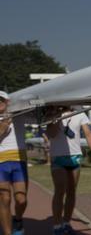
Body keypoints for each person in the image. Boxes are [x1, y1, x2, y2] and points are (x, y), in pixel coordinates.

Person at [46, 106, 91, 235]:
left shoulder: (80, 114)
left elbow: (88, 134)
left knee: (71, 191)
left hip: (75, 157)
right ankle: (56, 226)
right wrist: (56, 116)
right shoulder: (52, 114)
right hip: (58, 158)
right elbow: (51, 134)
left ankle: (66, 222)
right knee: (60, 191)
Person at [0, 91, 27, 235]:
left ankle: (18, 219)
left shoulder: (20, 113)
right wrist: (3, 126)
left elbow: (41, 117)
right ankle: (7, 232)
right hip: (1, 163)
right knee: (4, 198)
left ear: (7, 102)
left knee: (21, 199)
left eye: (1, 100)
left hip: (19, 161)